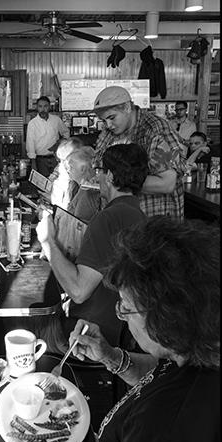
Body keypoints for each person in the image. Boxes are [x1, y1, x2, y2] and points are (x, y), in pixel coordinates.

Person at [68, 217, 220, 442]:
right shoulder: (192, 350)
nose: (122, 316)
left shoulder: (166, 433)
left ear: (165, 317)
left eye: (126, 307)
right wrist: (111, 356)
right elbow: (161, 375)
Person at [34, 143, 148, 353]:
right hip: (122, 329)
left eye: (100, 170)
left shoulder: (108, 218)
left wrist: (47, 240)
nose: (96, 176)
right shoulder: (137, 214)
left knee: (32, 325)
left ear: (111, 176)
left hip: (91, 333)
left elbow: (78, 291)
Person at [93, 86, 187, 221]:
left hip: (152, 221)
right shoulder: (109, 132)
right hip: (120, 218)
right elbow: (98, 165)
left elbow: (167, 183)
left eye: (112, 117)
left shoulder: (155, 130)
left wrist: (115, 181)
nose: (108, 125)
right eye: (103, 120)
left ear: (126, 107)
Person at [26, 96, 70, 178]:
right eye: (40, 106)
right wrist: (33, 163)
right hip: (40, 160)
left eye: (45, 106)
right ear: (37, 108)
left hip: (55, 158)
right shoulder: (32, 123)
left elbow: (66, 132)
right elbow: (30, 143)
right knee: (43, 185)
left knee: (57, 183)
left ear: (49, 107)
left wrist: (61, 142)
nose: (43, 109)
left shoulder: (56, 120)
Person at [64, 146, 102, 224]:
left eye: (71, 167)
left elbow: (78, 223)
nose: (68, 170)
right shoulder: (79, 187)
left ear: (83, 169)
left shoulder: (89, 192)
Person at [46, 137, 84, 209]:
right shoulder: (67, 179)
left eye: (63, 161)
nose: (60, 165)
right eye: (60, 161)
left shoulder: (77, 186)